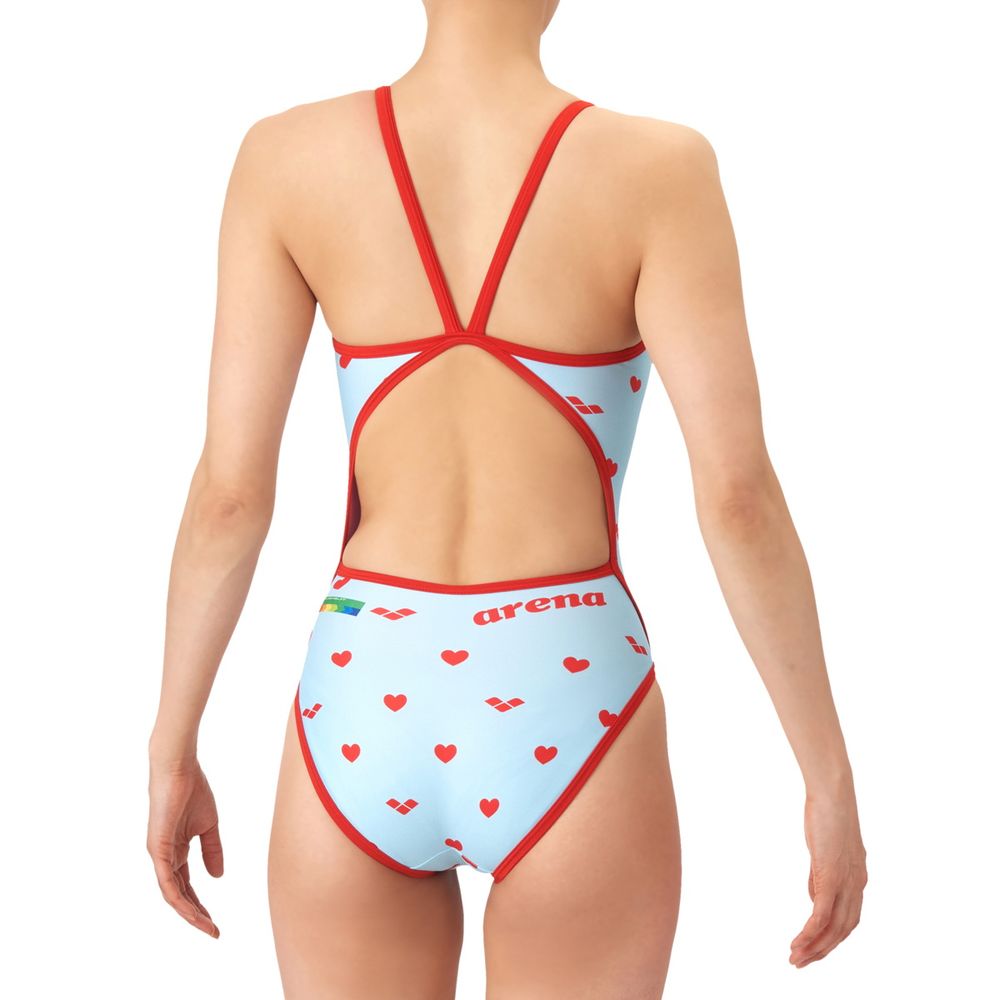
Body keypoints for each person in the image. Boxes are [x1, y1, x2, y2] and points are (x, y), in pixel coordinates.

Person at [146, 1, 868, 995]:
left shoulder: (286, 158)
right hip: (569, 680)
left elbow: (229, 498)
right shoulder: (658, 169)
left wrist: (171, 743)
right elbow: (739, 501)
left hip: (361, 682)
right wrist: (827, 777)